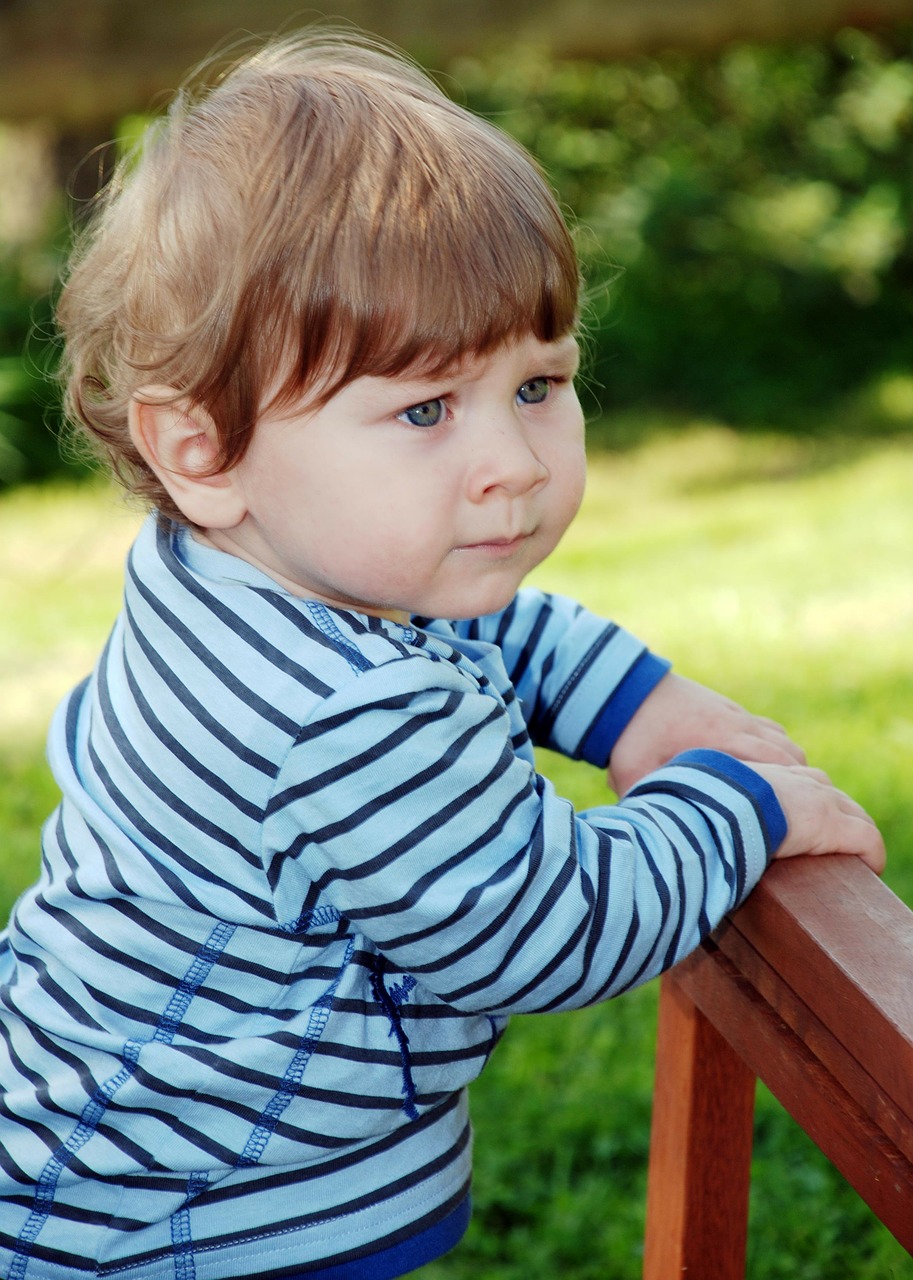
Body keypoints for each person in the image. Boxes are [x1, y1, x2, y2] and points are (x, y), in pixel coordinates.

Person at [0, 30, 884, 1280]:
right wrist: (731, 807)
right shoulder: (345, 719)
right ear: (202, 449)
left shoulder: (251, 567)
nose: (515, 462)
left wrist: (638, 707)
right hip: (193, 1223)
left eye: (538, 382)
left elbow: (497, 630)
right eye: (423, 409)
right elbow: (548, 922)